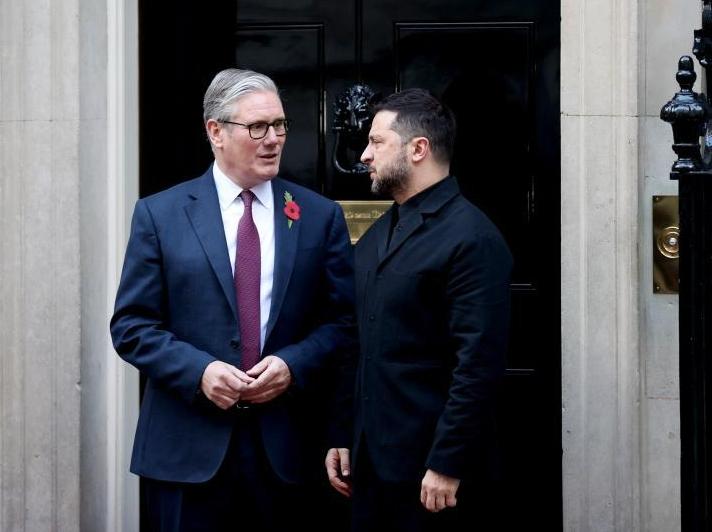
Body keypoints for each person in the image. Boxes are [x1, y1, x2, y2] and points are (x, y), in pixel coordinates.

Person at [111, 68, 355, 531]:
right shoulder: (160, 214)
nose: (273, 139)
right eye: (257, 127)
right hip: (187, 451)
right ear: (215, 131)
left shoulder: (318, 216)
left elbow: (343, 324)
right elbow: (131, 326)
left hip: (287, 453)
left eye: (279, 125)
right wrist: (199, 371)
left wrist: (293, 364)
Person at [325, 88, 512, 531]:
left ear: (418, 148)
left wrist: (448, 461)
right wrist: (342, 434)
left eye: (377, 142)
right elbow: (355, 344)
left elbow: (478, 364)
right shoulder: (376, 236)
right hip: (370, 467)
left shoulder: (472, 238)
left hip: (432, 475)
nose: (364, 155)